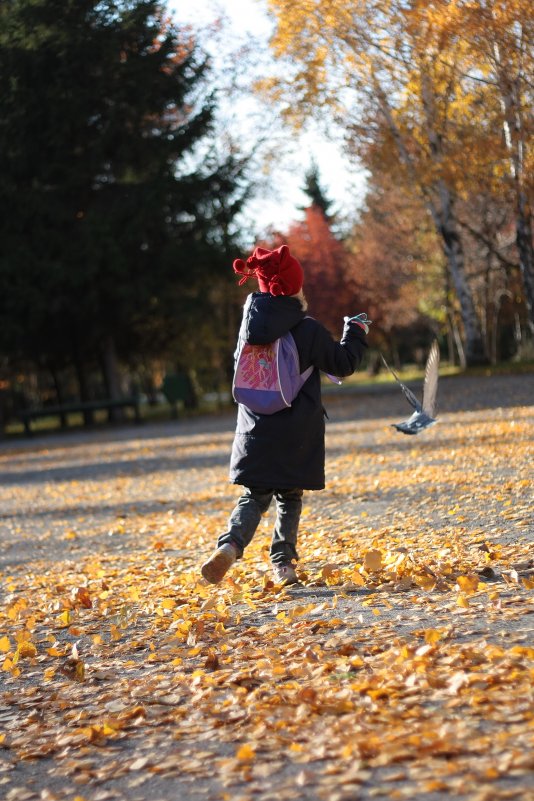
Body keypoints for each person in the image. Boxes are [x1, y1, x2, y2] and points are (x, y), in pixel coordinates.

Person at [201, 244, 369, 586]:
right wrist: (356, 332)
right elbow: (342, 364)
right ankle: (283, 565)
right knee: (289, 498)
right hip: (296, 435)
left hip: (254, 432)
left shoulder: (248, 331)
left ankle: (231, 544)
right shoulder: (307, 330)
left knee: (254, 497)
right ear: (295, 288)